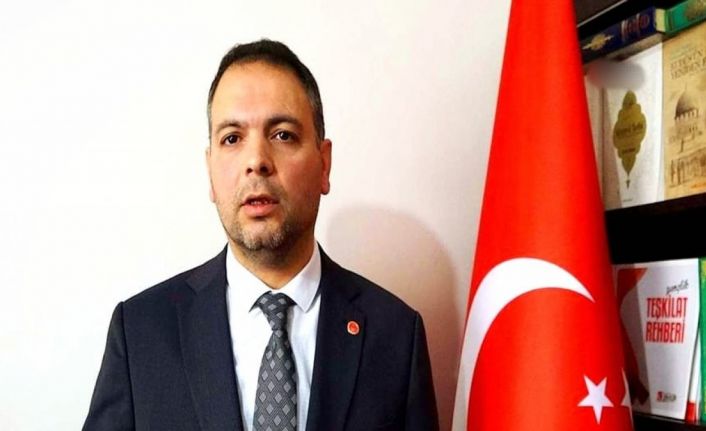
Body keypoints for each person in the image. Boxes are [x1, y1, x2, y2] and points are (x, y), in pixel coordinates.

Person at [83, 39, 438, 431]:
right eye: (232, 138)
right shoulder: (140, 332)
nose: (256, 161)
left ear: (324, 164)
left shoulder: (395, 336)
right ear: (210, 171)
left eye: (282, 135)